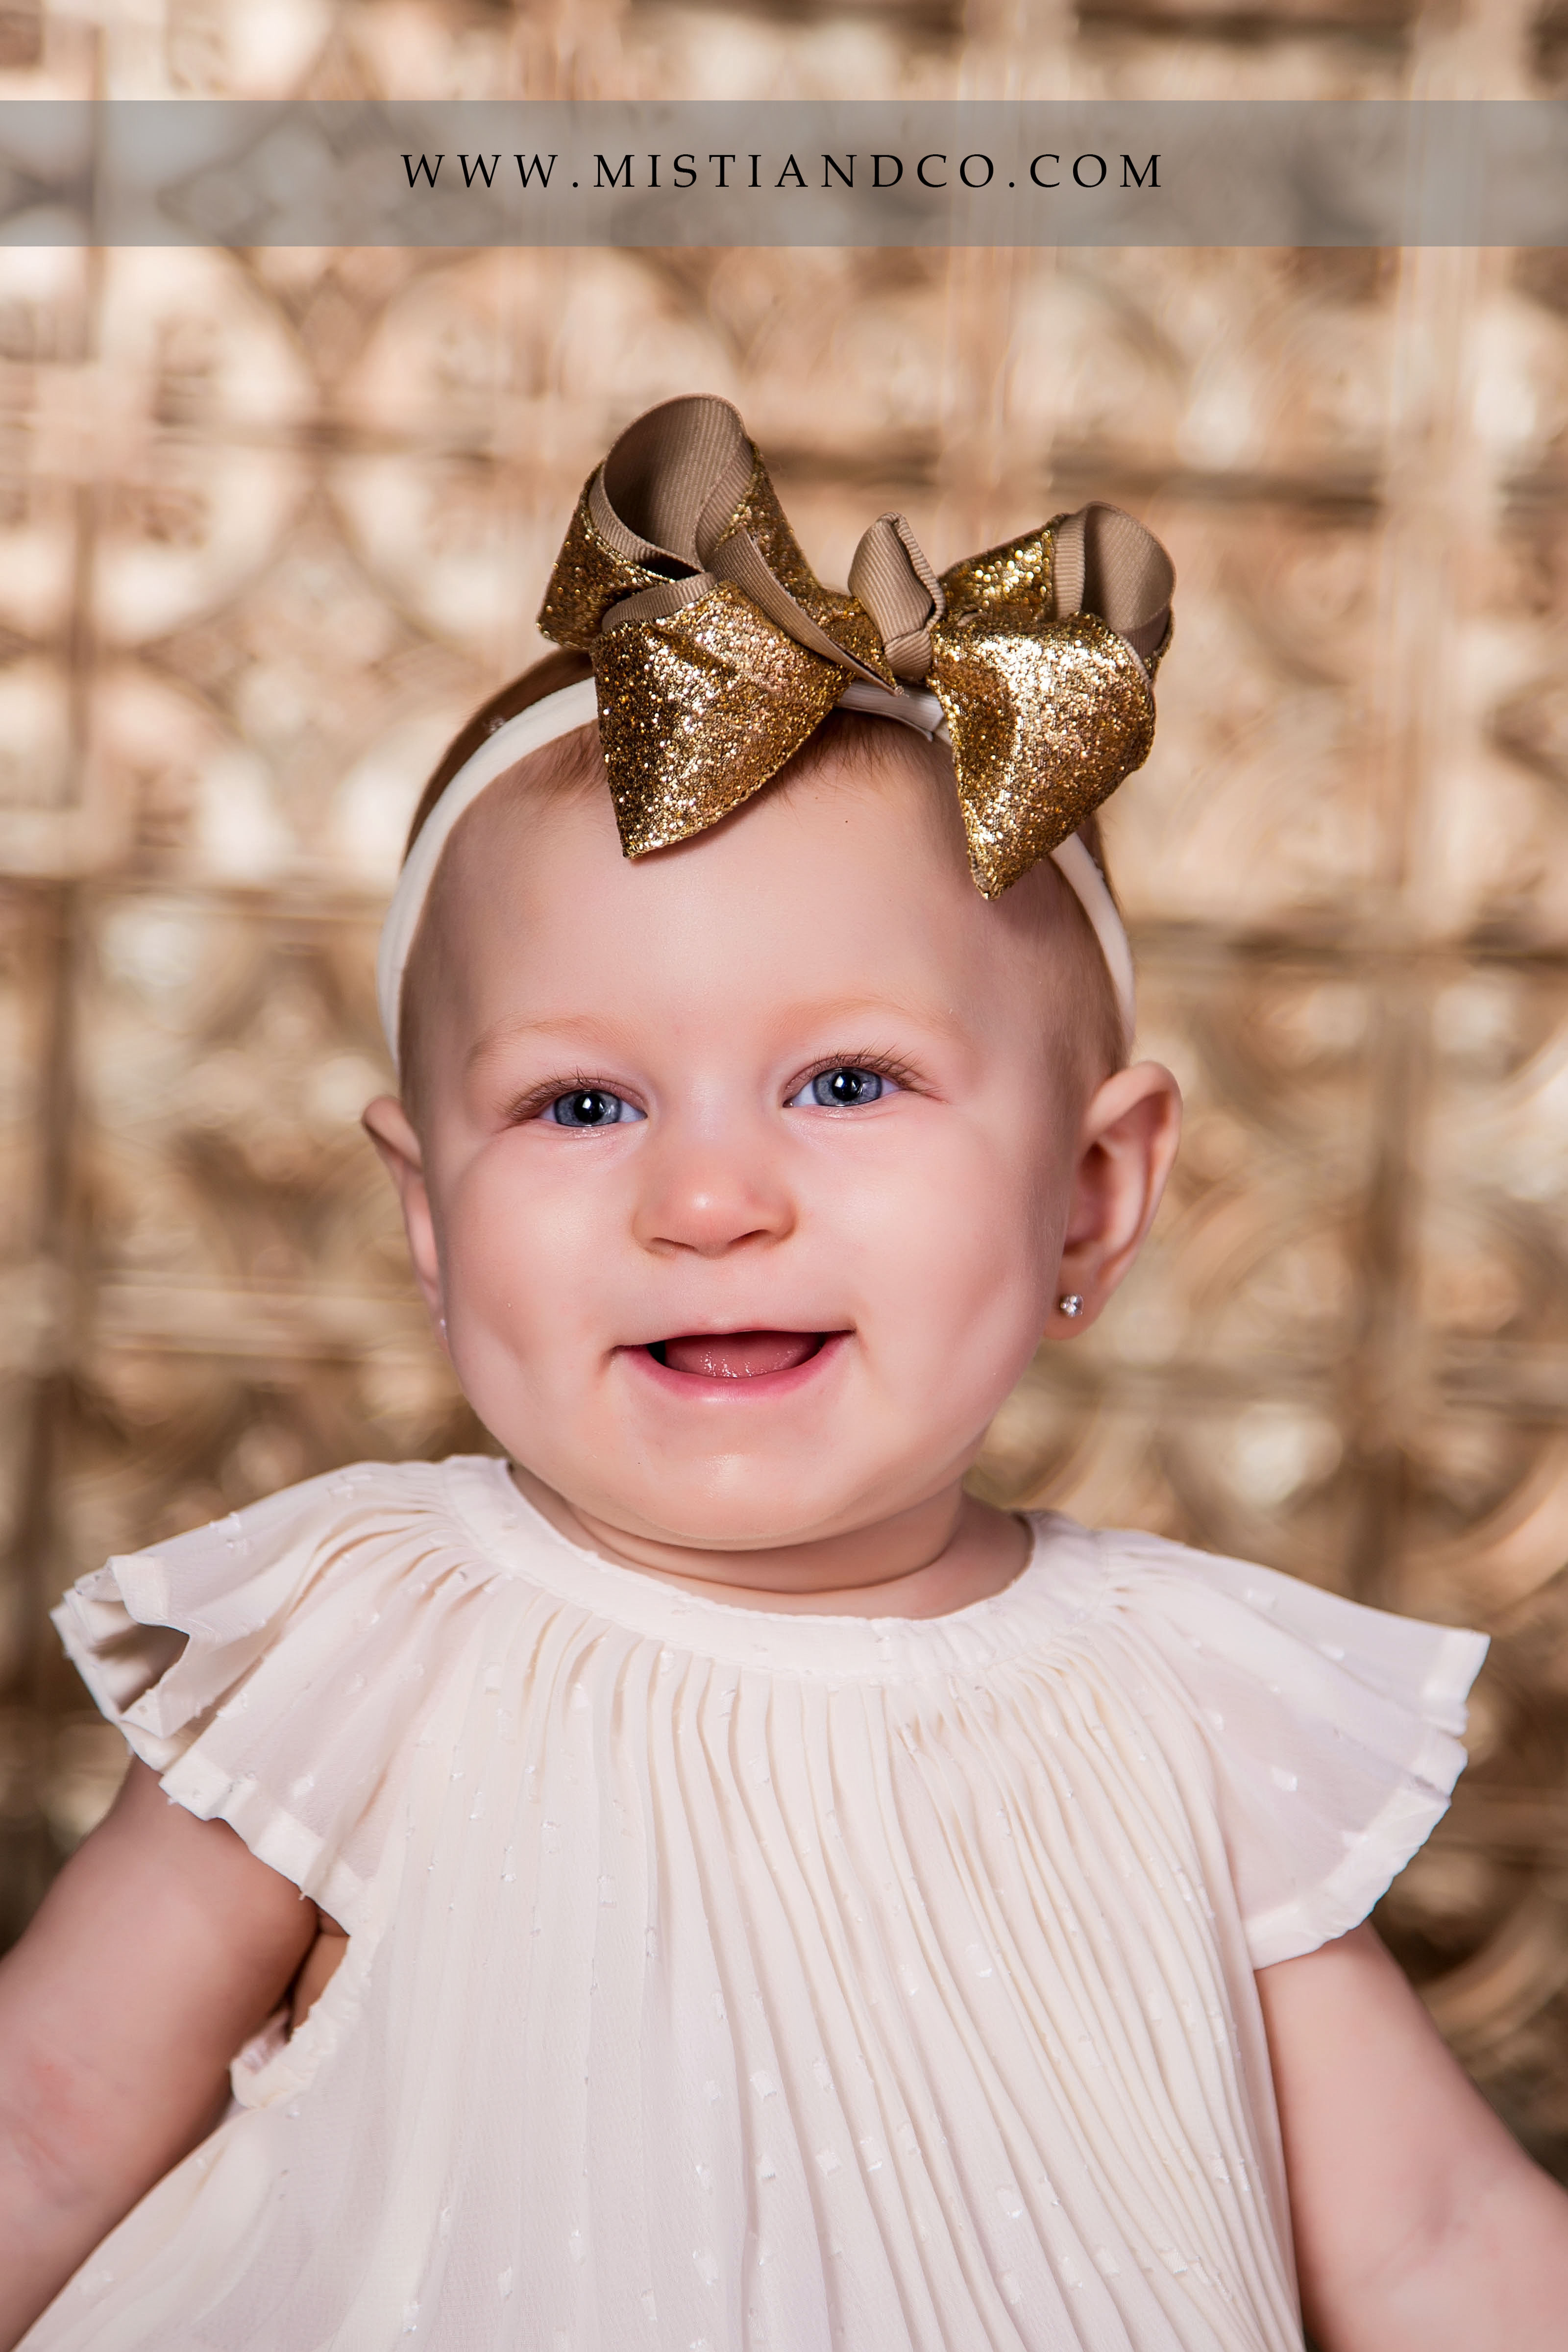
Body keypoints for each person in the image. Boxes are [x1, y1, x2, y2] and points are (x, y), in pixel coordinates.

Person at [1, 394, 1564, 2352]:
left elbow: (1435, 2243)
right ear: (429, 1218)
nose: (711, 1201)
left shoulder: (1183, 1702)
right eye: (581, 1104)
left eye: (845, 1083)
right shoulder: (371, 1637)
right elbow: (47, 2125)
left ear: (1091, 1194)